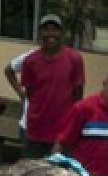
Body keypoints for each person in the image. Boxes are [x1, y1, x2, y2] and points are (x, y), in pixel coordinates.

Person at [20, 16, 85, 158]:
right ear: (40, 33)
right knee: (34, 174)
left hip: (63, 132)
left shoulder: (74, 59)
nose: (50, 34)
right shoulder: (30, 61)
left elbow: (78, 95)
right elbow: (30, 93)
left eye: (55, 30)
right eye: (46, 30)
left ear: (62, 33)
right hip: (36, 130)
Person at [4, 49, 33, 141]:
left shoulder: (69, 58)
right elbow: (9, 69)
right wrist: (20, 92)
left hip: (55, 124)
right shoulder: (31, 56)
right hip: (29, 125)